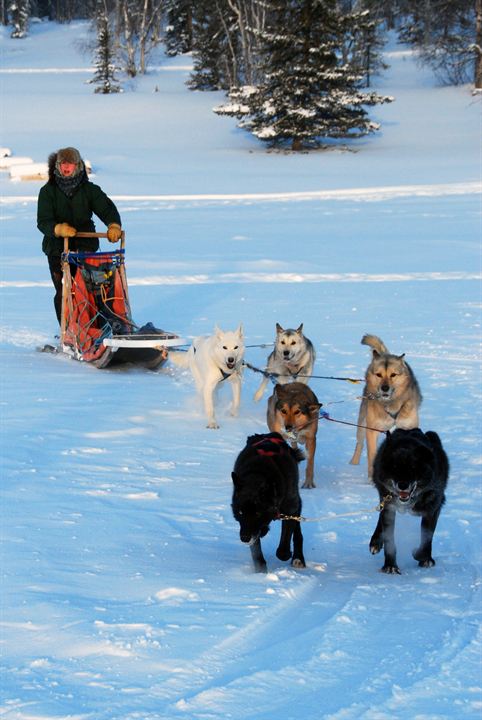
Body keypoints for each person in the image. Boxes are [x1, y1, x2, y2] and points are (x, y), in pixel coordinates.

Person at [37, 147, 122, 323]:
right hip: (57, 250)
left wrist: (113, 224)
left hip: (85, 247)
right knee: (64, 290)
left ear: (78, 166)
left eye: (71, 164)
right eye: (63, 164)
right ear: (57, 166)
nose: (66, 168)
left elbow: (106, 208)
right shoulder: (47, 191)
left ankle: (94, 326)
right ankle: (67, 331)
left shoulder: (89, 190)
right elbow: (43, 221)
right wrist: (58, 229)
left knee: (91, 289)